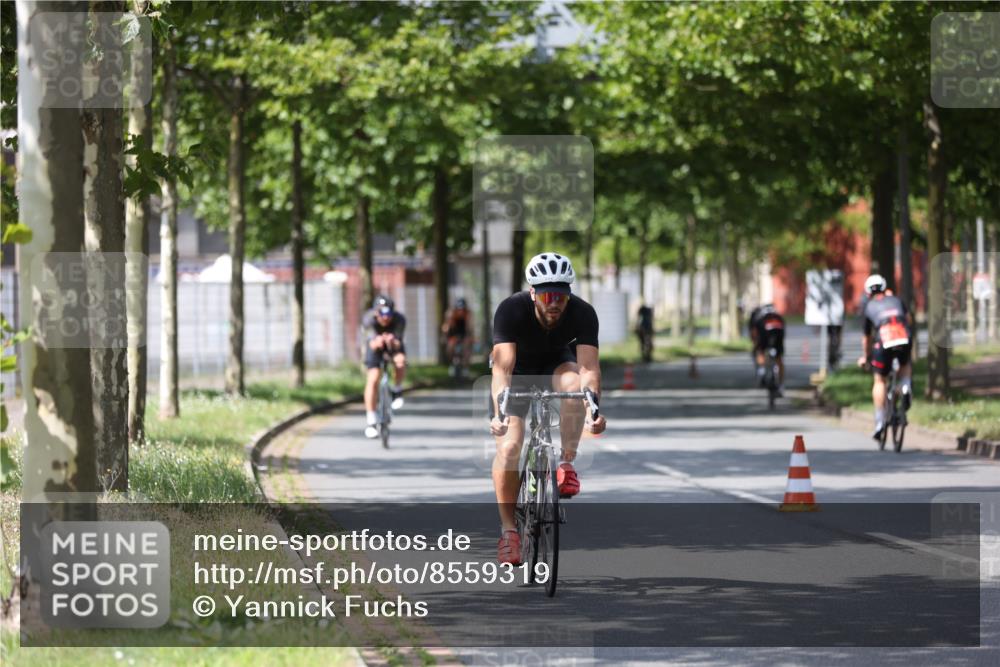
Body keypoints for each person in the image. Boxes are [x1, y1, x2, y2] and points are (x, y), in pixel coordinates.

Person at [489, 252, 607, 564]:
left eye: (561, 296)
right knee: (511, 446)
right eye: (547, 295)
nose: (554, 302)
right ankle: (509, 533)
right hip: (518, 373)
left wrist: (593, 410)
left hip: (556, 362)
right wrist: (500, 415)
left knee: (573, 387)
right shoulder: (511, 310)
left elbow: (589, 369)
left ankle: (566, 465)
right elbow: (502, 369)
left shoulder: (582, 313)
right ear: (533, 293)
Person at [856, 274, 913, 441]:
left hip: (884, 340)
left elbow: (866, 337)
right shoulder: (897, 300)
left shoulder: (869, 307)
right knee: (905, 364)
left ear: (868, 293)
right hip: (903, 336)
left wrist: (866, 357)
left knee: (880, 380)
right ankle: (905, 386)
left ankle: (880, 422)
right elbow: (907, 320)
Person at [362, 295, 407, 439]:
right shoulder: (368, 320)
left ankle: (397, 390)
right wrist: (379, 340)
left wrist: (392, 341)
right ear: (376, 312)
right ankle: (371, 420)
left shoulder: (400, 320)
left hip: (393, 345)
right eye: (382, 313)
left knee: (400, 361)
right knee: (373, 378)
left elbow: (399, 343)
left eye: (389, 313)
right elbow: (371, 343)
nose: (386, 317)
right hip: (375, 347)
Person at [748, 303, 786, 395]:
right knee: (779, 358)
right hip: (778, 332)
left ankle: (762, 372)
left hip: (764, 331)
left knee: (759, 351)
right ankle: (780, 385)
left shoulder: (758, 316)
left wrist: (755, 344)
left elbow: (754, 333)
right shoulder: (778, 316)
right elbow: (783, 332)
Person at [441, 297, 473, 372]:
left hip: (464, 333)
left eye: (462, 309)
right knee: (450, 348)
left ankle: (465, 367)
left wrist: (470, 337)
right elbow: (446, 327)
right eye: (459, 309)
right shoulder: (451, 314)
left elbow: (470, 327)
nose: (460, 311)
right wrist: (445, 336)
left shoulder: (468, 314)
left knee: (466, 348)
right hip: (453, 334)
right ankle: (452, 364)